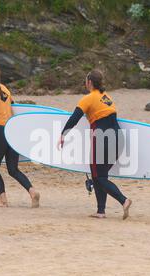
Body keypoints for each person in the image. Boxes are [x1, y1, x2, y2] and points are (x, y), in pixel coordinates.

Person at [57, 70, 132, 220]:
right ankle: (101, 211)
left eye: (86, 81)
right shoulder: (107, 97)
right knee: (98, 175)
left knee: (99, 176)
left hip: (102, 138)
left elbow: (74, 118)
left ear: (89, 82)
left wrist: (62, 134)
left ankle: (124, 200)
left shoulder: (88, 98)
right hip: (118, 138)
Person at [0, 62, 40, 208]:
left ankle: (3, 201)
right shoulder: (5, 90)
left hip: (0, 131)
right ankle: (32, 192)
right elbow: (15, 108)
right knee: (13, 169)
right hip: (12, 130)